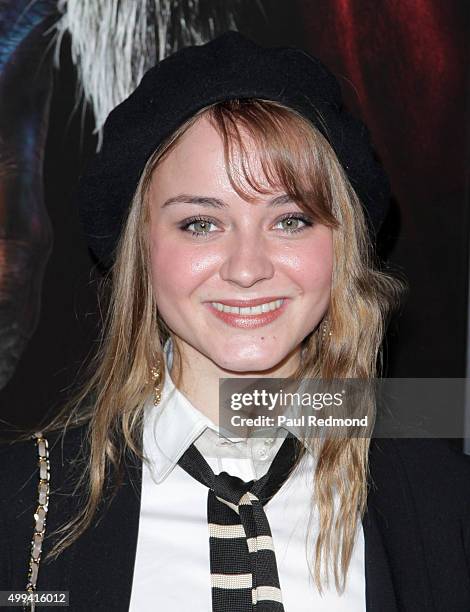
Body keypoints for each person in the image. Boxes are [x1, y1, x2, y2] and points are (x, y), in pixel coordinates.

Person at [1, 31, 470, 612]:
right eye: (201, 222)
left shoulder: (441, 499)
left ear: (341, 246)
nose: (248, 269)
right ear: (140, 250)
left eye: (291, 219)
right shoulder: (20, 504)